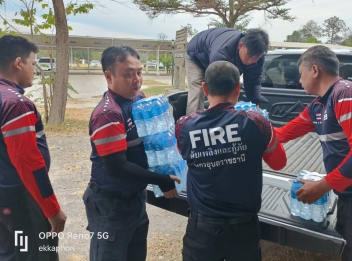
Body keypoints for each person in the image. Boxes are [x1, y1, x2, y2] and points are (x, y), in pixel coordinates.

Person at [275, 45, 352, 261]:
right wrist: (251, 126)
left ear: (315, 70)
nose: (299, 80)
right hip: (349, 199)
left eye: (301, 74)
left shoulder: (346, 94)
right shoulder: (317, 107)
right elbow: (283, 134)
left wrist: (323, 185)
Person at [175, 61, 287, 261]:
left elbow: (183, 154)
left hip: (202, 229)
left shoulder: (184, 126)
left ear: (204, 88)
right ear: (238, 88)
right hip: (244, 230)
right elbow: (279, 163)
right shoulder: (257, 122)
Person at [83, 46, 180, 261]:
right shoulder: (108, 114)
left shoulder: (138, 100)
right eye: (128, 74)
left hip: (134, 199)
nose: (137, 80)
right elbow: (117, 167)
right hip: (110, 205)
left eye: (139, 72)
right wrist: (161, 180)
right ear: (109, 77)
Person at [0, 35, 66, 260]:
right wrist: (52, 209)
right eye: (33, 64)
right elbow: (28, 161)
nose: (34, 70)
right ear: (18, 63)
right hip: (20, 200)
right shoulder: (15, 104)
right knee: (35, 253)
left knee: (10, 252)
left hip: (5, 199)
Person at [185, 27, 269, 114]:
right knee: (198, 90)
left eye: (255, 58)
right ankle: (193, 122)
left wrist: (255, 106)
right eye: (248, 56)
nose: (251, 61)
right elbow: (216, 85)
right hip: (196, 54)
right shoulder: (221, 53)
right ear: (240, 45)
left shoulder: (258, 57)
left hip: (214, 50)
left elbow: (254, 81)